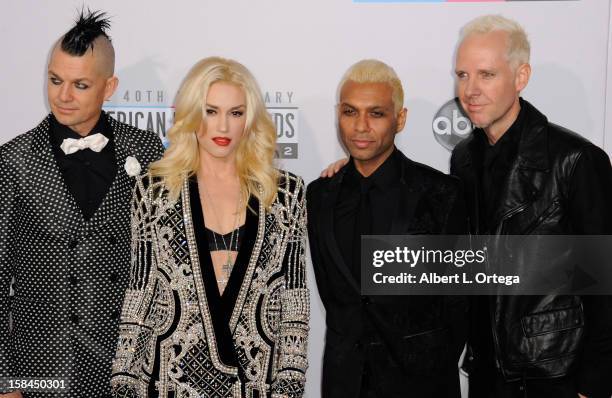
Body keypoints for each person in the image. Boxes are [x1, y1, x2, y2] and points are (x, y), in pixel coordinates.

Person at [110, 57, 309, 398]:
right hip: (169, 383)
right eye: (211, 111)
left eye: (236, 113)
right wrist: (124, 384)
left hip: (253, 384)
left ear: (250, 119)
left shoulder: (286, 194)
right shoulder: (155, 190)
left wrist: (288, 387)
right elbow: (141, 294)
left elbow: (294, 304)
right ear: (191, 113)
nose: (223, 127)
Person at [0, 10, 164, 398]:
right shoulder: (15, 160)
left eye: (80, 84)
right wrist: (6, 382)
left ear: (109, 88)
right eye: (55, 80)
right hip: (43, 370)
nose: (63, 96)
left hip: (129, 365)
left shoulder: (145, 150)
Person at [450, 15, 612, 398]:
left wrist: (594, 383)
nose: (470, 89)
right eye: (462, 74)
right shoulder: (463, 159)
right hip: (487, 372)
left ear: (520, 77)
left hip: (554, 373)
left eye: (486, 74)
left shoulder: (576, 160)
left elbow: (604, 285)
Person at [307, 59, 468, 398]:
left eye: (376, 113)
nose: (360, 126)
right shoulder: (320, 195)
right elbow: (335, 294)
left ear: (400, 118)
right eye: (350, 112)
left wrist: (430, 361)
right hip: (344, 380)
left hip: (422, 384)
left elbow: (459, 302)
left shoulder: (441, 194)